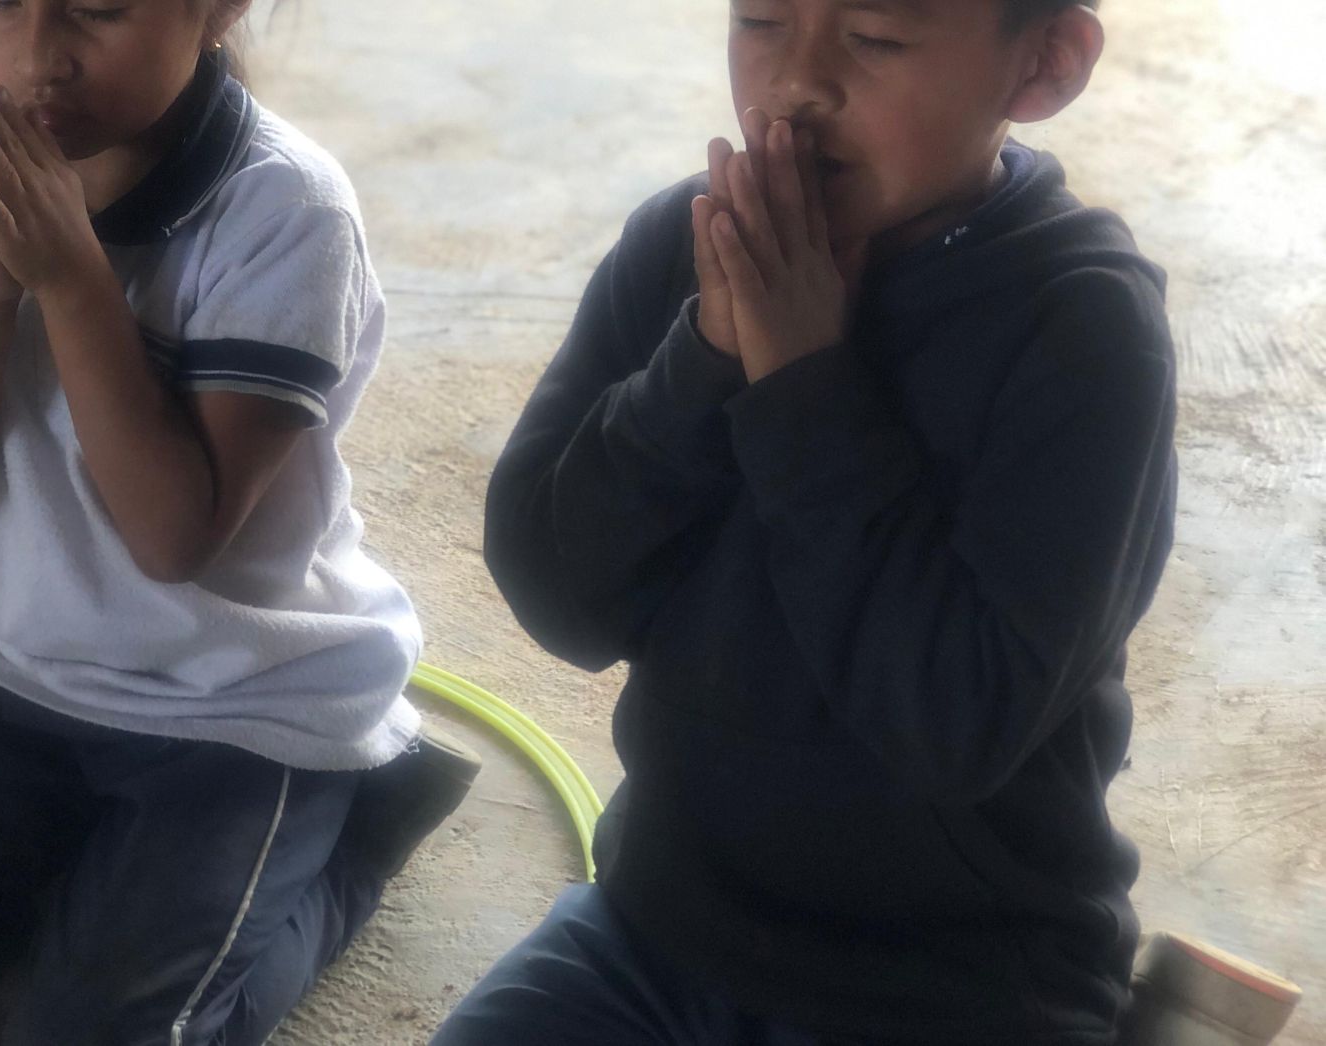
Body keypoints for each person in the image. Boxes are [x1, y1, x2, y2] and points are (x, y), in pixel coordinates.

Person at [439, 0, 1176, 1042]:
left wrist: (800, 381)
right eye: (761, 19)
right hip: (657, 929)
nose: (795, 84)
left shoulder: (1082, 326)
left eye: (875, 38)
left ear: (1045, 63)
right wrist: (703, 358)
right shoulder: (690, 246)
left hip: (956, 988)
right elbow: (558, 597)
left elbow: (954, 726)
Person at [0, 1, 478, 1042]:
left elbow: (173, 540)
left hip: (238, 707)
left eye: (98, 9)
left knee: (106, 1030)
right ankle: (86, 882)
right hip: (11, 673)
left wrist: (72, 278)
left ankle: (354, 833)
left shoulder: (288, 210)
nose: (39, 57)